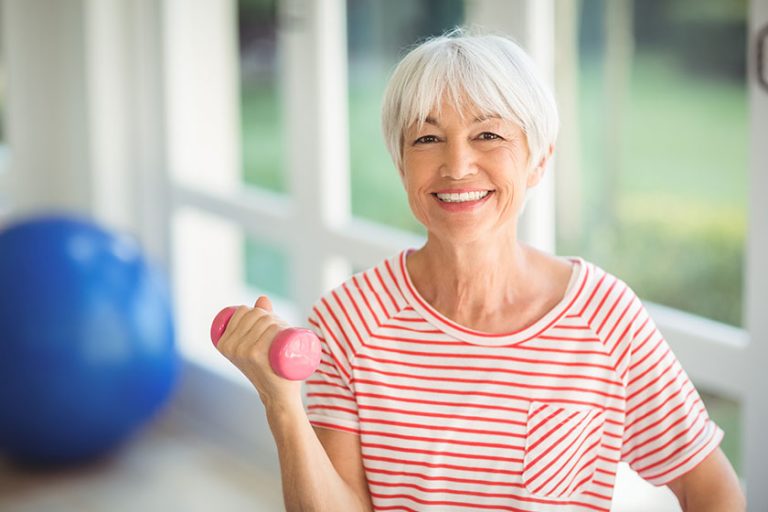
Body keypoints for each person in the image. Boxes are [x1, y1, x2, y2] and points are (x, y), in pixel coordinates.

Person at [215, 29, 745, 511]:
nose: (457, 165)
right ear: (402, 164)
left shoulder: (606, 317)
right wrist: (281, 404)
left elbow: (710, 488)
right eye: (426, 139)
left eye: (488, 135)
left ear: (539, 159)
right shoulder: (347, 320)